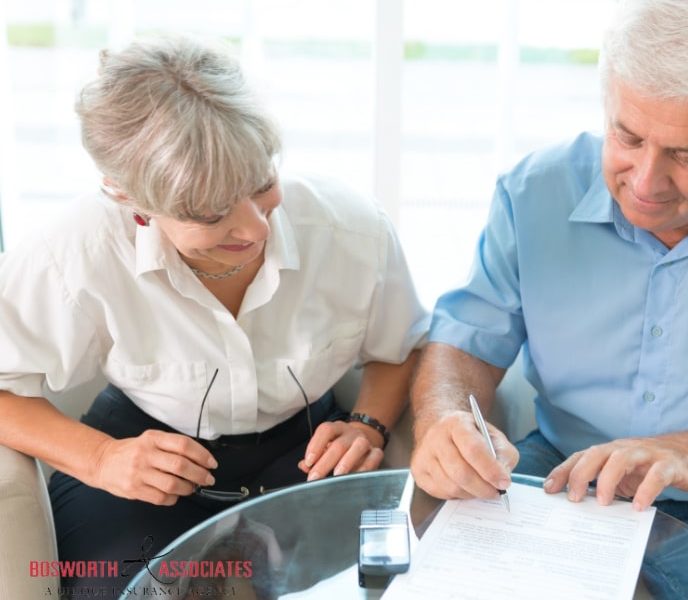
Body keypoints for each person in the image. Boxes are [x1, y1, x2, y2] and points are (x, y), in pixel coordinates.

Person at [0, 36, 427, 594]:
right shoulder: (72, 255)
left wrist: (368, 423)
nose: (254, 229)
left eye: (261, 185)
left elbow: (401, 346)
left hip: (307, 451)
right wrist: (102, 459)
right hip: (140, 454)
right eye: (210, 212)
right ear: (130, 199)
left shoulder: (350, 229)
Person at [410, 0, 688, 596]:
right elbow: (466, 343)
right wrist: (443, 420)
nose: (645, 183)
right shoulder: (532, 193)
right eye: (628, 136)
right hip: (563, 470)